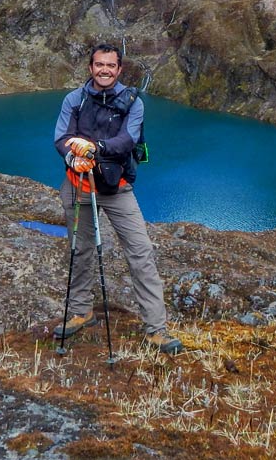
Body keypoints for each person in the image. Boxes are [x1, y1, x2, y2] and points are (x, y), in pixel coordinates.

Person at [53, 44, 182, 355]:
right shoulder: (74, 99)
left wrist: (93, 147)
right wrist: (73, 158)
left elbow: (127, 141)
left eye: (111, 65)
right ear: (90, 67)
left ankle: (156, 330)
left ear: (120, 69)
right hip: (78, 185)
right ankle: (81, 312)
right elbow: (61, 138)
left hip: (117, 189)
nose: (105, 70)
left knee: (141, 253)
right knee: (80, 250)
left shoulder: (133, 103)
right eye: (99, 65)